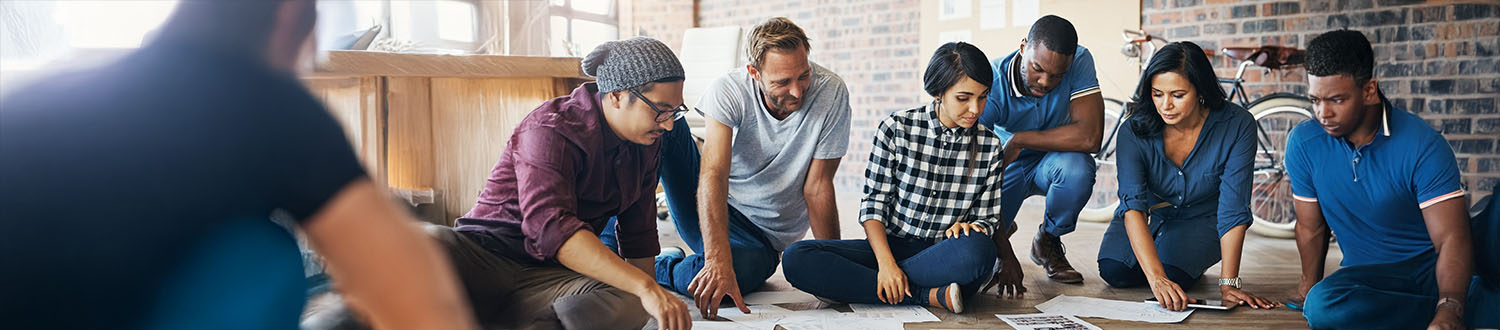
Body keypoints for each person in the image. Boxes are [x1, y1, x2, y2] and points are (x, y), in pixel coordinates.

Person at [0, 1, 476, 329]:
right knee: (260, 253)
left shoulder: (35, 103)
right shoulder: (260, 100)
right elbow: (418, 298)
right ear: (289, 13)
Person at [305, 37, 694, 330]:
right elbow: (552, 229)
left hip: (549, 277)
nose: (669, 123)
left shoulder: (646, 144)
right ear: (616, 96)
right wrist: (648, 288)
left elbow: (640, 232)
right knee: (419, 242)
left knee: (627, 304)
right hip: (482, 255)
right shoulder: (552, 128)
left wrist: (648, 295)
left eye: (675, 111)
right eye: (660, 110)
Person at [599, 17, 851, 319]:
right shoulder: (729, 90)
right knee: (654, 116)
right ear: (754, 73)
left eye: (804, 75)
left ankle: (665, 265)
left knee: (736, 278)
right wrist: (718, 261)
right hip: (708, 204)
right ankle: (609, 246)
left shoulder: (831, 92)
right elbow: (713, 175)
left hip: (760, 238)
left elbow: (818, 186)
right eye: (782, 82)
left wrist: (833, 264)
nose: (797, 91)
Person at [780, 42, 1025, 313]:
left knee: (978, 253)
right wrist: (886, 265)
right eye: (963, 98)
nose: (975, 109)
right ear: (938, 92)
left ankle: (861, 286)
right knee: (796, 257)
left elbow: (987, 218)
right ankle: (926, 295)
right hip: (890, 248)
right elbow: (873, 207)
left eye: (983, 97)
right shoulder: (896, 129)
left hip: (945, 255)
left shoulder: (989, 145)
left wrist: (970, 228)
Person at [1288, 29, 1497, 329]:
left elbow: (1452, 238)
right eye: (1315, 100)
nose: (1323, 113)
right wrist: (1308, 288)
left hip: (1433, 269)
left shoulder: (1421, 144)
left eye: (1336, 100)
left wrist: (1450, 305)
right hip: (1369, 278)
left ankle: (1456, 306)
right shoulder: (1305, 143)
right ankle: (1456, 309)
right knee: (1322, 306)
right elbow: (1310, 227)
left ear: (1369, 90)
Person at [1095, 42, 1276, 311]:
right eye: (1157, 94)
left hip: (1203, 219)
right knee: (1115, 271)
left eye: (1178, 95)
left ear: (1200, 90)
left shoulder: (1237, 125)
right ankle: (1166, 262)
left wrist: (1229, 284)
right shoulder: (1132, 130)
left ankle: (1185, 260)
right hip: (1150, 215)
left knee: (1173, 274)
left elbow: (1233, 208)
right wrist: (1156, 279)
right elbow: (1132, 205)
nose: (1165, 105)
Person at [977, 14, 1104, 284]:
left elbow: (1091, 137)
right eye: (1037, 68)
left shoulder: (1079, 60)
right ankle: (1001, 227)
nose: (1046, 82)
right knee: (979, 258)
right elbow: (973, 172)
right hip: (1006, 164)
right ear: (1023, 48)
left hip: (1053, 157)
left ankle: (1047, 241)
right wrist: (1003, 250)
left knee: (1078, 169)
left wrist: (1021, 139)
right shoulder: (993, 81)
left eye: (1058, 75)